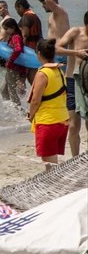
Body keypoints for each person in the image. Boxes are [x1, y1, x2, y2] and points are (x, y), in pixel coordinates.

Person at [27, 39, 70, 169]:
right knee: (52, 158)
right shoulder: (59, 71)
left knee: (49, 162)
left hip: (48, 121)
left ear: (39, 53)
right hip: (62, 119)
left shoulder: (43, 74)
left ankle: (54, 185)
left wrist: (30, 115)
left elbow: (35, 100)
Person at [55, 12, 88, 156]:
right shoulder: (75, 32)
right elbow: (57, 48)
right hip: (72, 82)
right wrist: (76, 52)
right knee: (74, 125)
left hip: (87, 83)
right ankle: (75, 158)